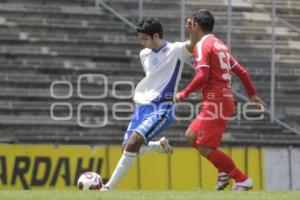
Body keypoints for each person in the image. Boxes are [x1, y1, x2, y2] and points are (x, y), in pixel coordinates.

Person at [101, 17, 198, 190]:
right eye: (140, 39)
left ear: (155, 36)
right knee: (127, 148)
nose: (142, 43)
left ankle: (107, 189)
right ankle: (159, 146)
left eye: (144, 39)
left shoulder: (176, 50)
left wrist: (193, 32)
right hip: (142, 106)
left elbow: (193, 45)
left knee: (132, 144)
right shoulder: (143, 54)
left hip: (163, 106)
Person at [176, 10, 265, 191]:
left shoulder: (202, 45)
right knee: (190, 136)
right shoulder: (219, 44)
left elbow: (202, 75)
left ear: (195, 26)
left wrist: (182, 94)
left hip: (216, 101)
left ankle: (242, 179)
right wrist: (251, 94)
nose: (188, 26)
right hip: (222, 100)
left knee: (205, 148)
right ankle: (224, 171)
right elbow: (241, 71)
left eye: (190, 23)